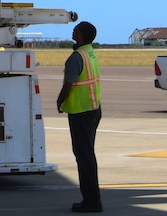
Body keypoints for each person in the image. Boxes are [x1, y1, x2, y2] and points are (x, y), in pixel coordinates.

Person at [57, 20, 103, 213]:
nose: (73, 31)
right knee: (88, 156)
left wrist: (60, 101)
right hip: (93, 109)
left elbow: (69, 85)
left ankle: (91, 201)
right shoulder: (90, 53)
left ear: (82, 35)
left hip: (80, 112)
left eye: (76, 30)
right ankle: (92, 199)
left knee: (84, 158)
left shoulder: (76, 57)